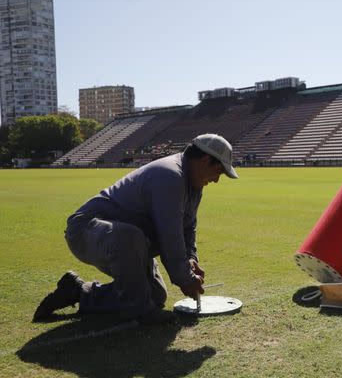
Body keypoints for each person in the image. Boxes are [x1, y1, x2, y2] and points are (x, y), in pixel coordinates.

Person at [33, 134, 238, 324]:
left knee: (155, 296)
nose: (216, 180)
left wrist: (191, 258)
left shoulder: (193, 185)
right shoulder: (170, 176)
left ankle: (79, 292)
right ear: (204, 161)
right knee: (129, 240)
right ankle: (140, 311)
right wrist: (185, 278)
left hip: (125, 239)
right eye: (218, 171)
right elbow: (170, 235)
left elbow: (187, 227)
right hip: (87, 230)